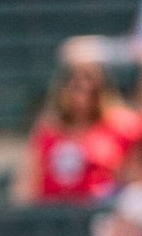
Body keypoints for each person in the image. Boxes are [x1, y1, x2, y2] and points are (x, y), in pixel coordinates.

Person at [14, 62, 142, 205]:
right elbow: (26, 183)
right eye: (77, 88)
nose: (82, 98)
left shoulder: (123, 126)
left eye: (92, 91)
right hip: (53, 209)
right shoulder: (47, 130)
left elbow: (133, 178)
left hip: (101, 209)